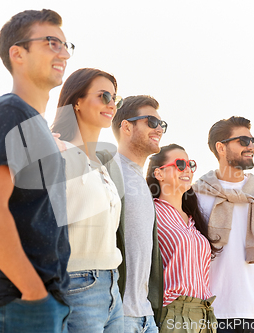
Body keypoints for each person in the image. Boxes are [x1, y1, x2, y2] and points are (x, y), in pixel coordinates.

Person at [0, 9, 74, 333]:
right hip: (16, 301)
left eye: (66, 45)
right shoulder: (8, 112)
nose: (64, 53)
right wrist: (34, 293)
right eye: (51, 42)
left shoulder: (36, 123)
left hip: (41, 301)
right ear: (18, 54)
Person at [193, 116, 254, 333]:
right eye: (243, 141)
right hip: (208, 315)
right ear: (220, 147)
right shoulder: (195, 195)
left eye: (253, 141)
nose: (251, 146)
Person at [51, 68, 124, 333]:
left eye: (115, 97)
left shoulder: (100, 164)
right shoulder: (56, 152)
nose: (112, 104)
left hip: (111, 286)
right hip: (76, 284)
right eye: (104, 95)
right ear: (77, 102)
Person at [105, 95, 167, 332]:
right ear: (127, 126)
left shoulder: (140, 181)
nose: (159, 128)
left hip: (146, 316)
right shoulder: (108, 171)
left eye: (162, 124)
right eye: (152, 121)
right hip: (118, 316)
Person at [146, 144, 221, 333]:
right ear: (159, 174)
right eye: (180, 164)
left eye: (190, 164)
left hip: (205, 314)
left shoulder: (193, 219)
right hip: (173, 313)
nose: (187, 169)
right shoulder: (151, 212)